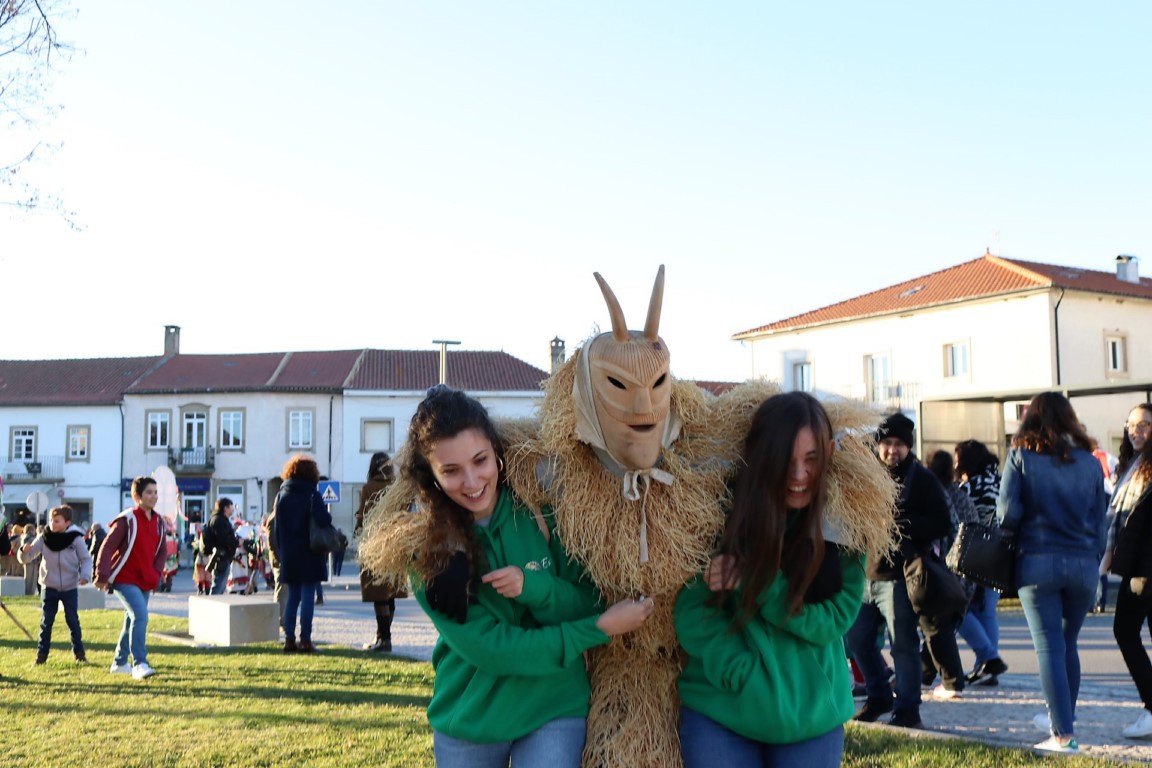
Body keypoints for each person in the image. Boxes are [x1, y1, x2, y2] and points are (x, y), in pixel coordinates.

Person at [402, 385, 653, 767]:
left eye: (480, 460)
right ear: (431, 477)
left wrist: (532, 587)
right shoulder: (426, 553)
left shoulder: (543, 513)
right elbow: (498, 651)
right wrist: (599, 628)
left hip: (554, 707)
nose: (471, 482)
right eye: (451, 471)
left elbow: (586, 599)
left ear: (497, 454)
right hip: (472, 720)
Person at [675, 392, 866, 767]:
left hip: (811, 715)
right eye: (786, 460)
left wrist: (758, 584)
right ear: (762, 455)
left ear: (829, 451)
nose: (798, 476)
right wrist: (740, 672)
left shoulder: (847, 524)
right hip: (722, 710)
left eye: (811, 460)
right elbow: (691, 610)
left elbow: (834, 620)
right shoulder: (716, 514)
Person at [998, 391, 1107, 753]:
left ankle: (1062, 734)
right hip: (1083, 564)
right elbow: (1100, 521)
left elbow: (1007, 514)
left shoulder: (1021, 456)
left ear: (1031, 419)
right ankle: (1064, 722)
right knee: (1068, 644)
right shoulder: (1091, 463)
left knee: (1048, 648)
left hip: (1038, 561)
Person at [847, 411, 952, 729]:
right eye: (887, 443)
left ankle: (908, 710)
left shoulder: (921, 479)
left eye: (899, 445)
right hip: (866, 574)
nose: (892, 450)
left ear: (909, 447)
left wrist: (900, 525)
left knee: (902, 645)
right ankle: (879, 696)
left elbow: (942, 522)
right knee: (856, 640)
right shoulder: (868, 476)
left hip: (900, 577)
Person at [1102, 403, 1152, 739]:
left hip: (1145, 566)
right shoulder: (1133, 465)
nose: (1136, 430)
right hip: (1138, 562)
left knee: (1125, 630)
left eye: (1145, 424)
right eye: (1132, 424)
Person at [94, 476, 167, 680]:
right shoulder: (127, 519)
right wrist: (102, 574)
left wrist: (156, 573)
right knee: (141, 616)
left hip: (146, 579)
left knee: (131, 619)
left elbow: (162, 551)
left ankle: (119, 663)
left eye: (155, 492)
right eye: (149, 493)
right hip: (124, 578)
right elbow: (107, 547)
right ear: (137, 496)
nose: (153, 496)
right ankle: (140, 663)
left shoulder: (159, 521)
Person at [953, 439, 1008, 686]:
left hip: (973, 553)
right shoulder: (1001, 482)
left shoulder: (969, 486)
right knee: (987, 611)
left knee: (959, 609)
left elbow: (960, 519)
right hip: (1000, 553)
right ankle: (988, 668)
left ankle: (988, 658)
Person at [921, 449, 977, 693]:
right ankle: (924, 675)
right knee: (942, 625)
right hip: (967, 565)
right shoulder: (960, 494)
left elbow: (946, 531)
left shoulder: (934, 491)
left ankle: (950, 680)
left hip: (945, 568)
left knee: (937, 626)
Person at [18, 504, 92, 665]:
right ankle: (41, 656)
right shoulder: (44, 537)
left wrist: (85, 576)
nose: (52, 523)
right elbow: (28, 557)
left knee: (72, 620)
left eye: (57, 520)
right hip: (48, 585)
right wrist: (23, 551)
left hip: (69, 587)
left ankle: (79, 654)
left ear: (67, 522)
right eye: (51, 520)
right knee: (46, 622)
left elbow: (85, 559)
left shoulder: (76, 538)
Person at [272, 454, 330, 653]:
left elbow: (276, 528)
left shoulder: (282, 496)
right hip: (310, 552)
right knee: (307, 596)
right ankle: (305, 639)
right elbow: (324, 520)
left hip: (290, 554)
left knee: (292, 597)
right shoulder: (312, 495)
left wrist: (282, 552)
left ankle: (289, 639)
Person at [356, 451, 404, 652]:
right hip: (396, 543)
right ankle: (382, 637)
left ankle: (385, 639)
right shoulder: (397, 488)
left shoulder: (368, 488)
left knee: (379, 595)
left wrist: (358, 531)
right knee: (390, 593)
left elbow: (363, 516)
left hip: (375, 544)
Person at [202, 497, 239, 596]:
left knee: (220, 587)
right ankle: (211, 608)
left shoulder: (219, 519)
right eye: (231, 506)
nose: (233, 509)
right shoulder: (219, 521)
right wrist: (237, 542)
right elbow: (224, 540)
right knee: (218, 588)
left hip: (221, 557)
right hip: (220, 557)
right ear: (225, 508)